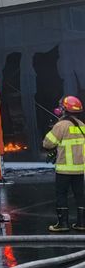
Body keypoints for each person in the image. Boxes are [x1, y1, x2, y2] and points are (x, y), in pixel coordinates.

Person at [43, 96, 85, 233]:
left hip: (64, 170)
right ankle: (82, 223)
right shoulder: (82, 126)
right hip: (80, 170)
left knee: (61, 194)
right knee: (80, 195)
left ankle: (62, 224)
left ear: (65, 109)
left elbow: (47, 144)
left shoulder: (61, 125)